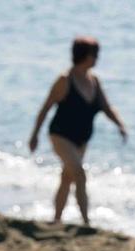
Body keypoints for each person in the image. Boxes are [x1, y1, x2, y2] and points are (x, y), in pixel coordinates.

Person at [29, 36, 128, 226]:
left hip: (81, 139)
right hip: (60, 135)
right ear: (85, 55)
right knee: (80, 174)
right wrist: (34, 135)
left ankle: (56, 219)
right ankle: (86, 222)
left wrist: (120, 125)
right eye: (95, 54)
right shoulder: (64, 80)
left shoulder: (94, 81)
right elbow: (45, 108)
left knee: (67, 178)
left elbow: (107, 107)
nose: (97, 58)